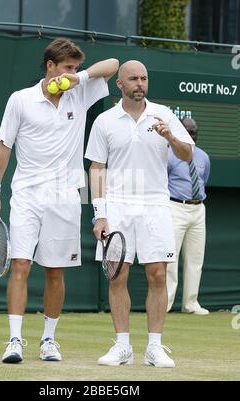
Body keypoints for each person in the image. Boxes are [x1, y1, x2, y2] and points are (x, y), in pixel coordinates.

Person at [0, 37, 119, 364]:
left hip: (65, 197)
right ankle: (15, 340)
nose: (72, 72)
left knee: (55, 271)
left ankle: (49, 340)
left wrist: (80, 77)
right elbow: (5, 146)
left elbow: (113, 65)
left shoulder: (80, 90)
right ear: (50, 66)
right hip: (27, 194)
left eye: (75, 67)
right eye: (67, 67)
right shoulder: (20, 100)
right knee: (20, 264)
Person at [85, 60, 194, 368]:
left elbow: (187, 155)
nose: (139, 83)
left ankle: (155, 348)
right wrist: (100, 215)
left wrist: (170, 137)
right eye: (133, 78)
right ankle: (122, 347)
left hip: (155, 206)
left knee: (158, 274)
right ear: (119, 84)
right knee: (117, 275)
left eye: (144, 78)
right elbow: (97, 168)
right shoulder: (105, 121)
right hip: (117, 206)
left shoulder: (164, 115)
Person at [166, 118, 211, 315]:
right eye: (188, 131)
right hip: (175, 206)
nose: (191, 135)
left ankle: (191, 303)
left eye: (194, 132)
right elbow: (162, 182)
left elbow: (204, 180)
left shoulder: (203, 157)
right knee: (170, 257)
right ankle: (164, 303)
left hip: (198, 208)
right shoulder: (168, 154)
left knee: (195, 259)